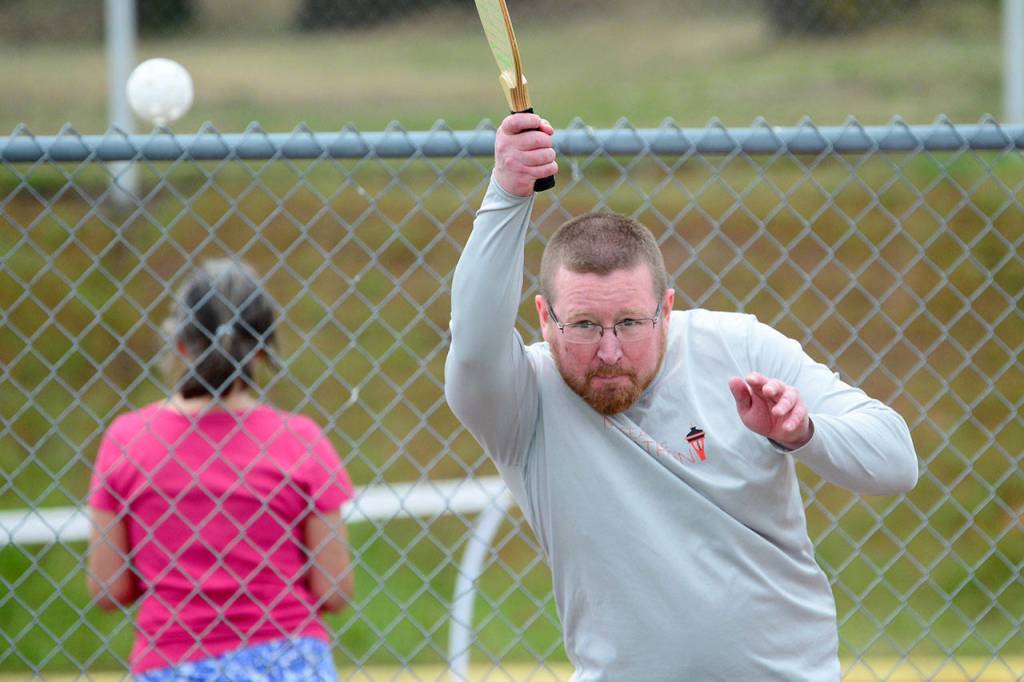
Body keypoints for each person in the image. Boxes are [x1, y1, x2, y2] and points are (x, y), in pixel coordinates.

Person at [444, 114, 919, 681]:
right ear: (545, 319)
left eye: (630, 322)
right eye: (586, 326)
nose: (610, 352)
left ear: (667, 309)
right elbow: (473, 344)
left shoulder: (738, 345)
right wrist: (507, 191)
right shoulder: (523, 402)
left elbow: (896, 463)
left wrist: (804, 432)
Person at [87, 259, 354, 681]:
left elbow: (107, 587)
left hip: (174, 662)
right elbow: (334, 589)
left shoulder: (128, 440)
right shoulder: (300, 440)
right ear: (263, 349)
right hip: (287, 660)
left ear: (180, 344)